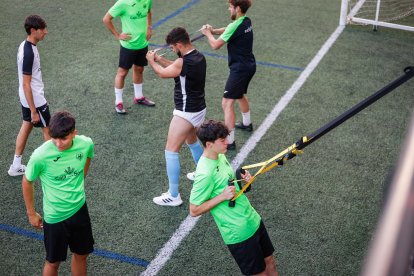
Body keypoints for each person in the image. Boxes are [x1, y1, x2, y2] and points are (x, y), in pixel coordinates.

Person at [189, 120, 278, 276]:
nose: (227, 143)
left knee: (270, 262)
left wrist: (244, 181)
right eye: (222, 141)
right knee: (260, 273)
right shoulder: (204, 173)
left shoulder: (220, 156)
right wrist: (222, 197)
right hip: (238, 232)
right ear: (209, 144)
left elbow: (230, 184)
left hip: (252, 219)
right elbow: (194, 210)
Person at [22, 111, 95, 276]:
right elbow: (27, 181)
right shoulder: (40, 156)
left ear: (74, 133)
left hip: (79, 209)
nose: (58, 144)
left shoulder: (85, 144)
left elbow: (88, 157)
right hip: (55, 217)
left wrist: (79, 179)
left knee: (82, 254)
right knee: (53, 262)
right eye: (54, 138)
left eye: (64, 139)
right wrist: (31, 213)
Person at [146, 27, 206, 206]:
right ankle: (203, 175)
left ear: (179, 44)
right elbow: (176, 67)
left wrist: (151, 61)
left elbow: (162, 73)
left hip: (185, 112)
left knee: (171, 150)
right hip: (199, 110)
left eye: (173, 47)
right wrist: (160, 59)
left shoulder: (182, 62)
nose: (172, 49)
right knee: (192, 142)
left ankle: (173, 195)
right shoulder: (199, 57)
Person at [201, 0, 256, 150]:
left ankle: (230, 142)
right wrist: (213, 31)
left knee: (227, 103)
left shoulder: (236, 24)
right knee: (239, 95)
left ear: (237, 8)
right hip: (249, 65)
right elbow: (228, 29)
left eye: (230, 7)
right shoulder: (245, 21)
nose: (228, 9)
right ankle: (247, 123)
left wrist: (207, 34)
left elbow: (215, 45)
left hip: (240, 69)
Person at [8, 15, 51, 177]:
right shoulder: (29, 52)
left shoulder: (25, 45)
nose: (45, 32)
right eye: (43, 29)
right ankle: (50, 166)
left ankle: (16, 165)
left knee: (26, 127)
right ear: (33, 31)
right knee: (48, 130)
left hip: (27, 98)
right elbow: (27, 83)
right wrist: (34, 110)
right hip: (35, 100)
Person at [103, 0, 155, 114]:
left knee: (139, 69)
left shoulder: (147, 0)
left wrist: (149, 27)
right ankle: (119, 102)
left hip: (143, 43)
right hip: (128, 45)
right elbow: (106, 19)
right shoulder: (123, 3)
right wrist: (117, 35)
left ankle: (139, 97)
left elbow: (148, 11)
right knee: (122, 72)